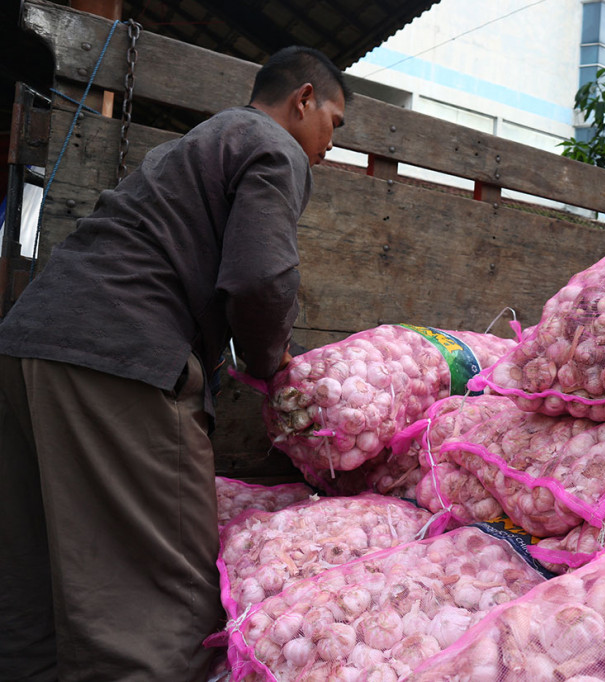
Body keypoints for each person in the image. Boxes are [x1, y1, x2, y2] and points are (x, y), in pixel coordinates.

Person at [0, 46, 350, 681]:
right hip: (119, 359)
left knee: (34, 584)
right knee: (160, 603)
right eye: (334, 122)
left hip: (27, 349)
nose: (329, 145)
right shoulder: (273, 145)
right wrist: (273, 367)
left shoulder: (197, 144)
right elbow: (262, 276)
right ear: (303, 100)